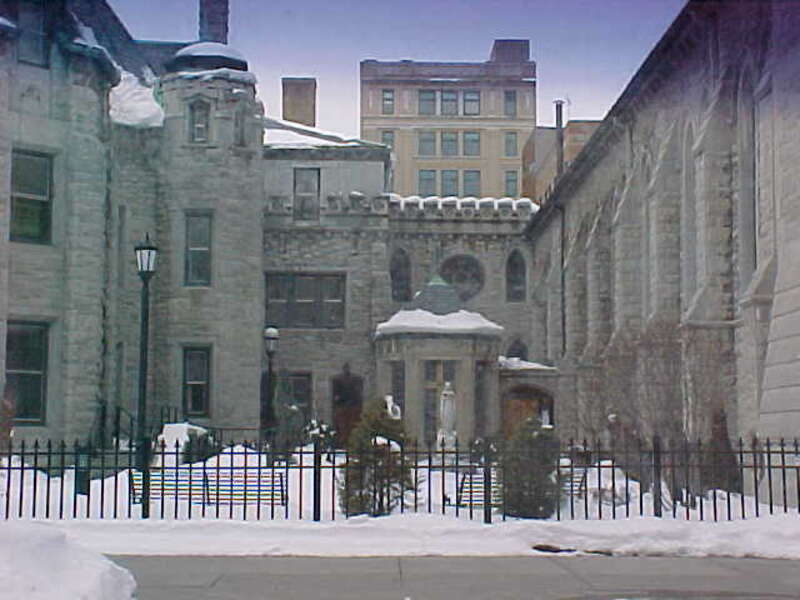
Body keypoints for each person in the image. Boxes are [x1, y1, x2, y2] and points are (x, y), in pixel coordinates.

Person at [332, 363, 363, 448]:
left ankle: (350, 442)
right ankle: (343, 442)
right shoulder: (338, 381)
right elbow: (336, 395)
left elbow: (357, 393)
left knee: (351, 425)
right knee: (343, 426)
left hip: (353, 406)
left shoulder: (355, 380)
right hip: (343, 406)